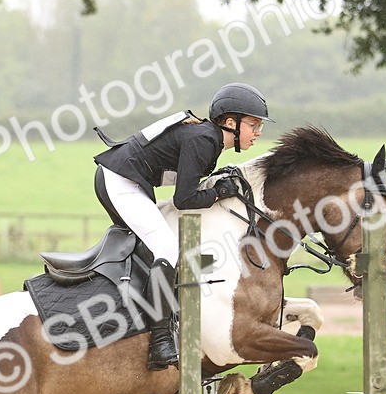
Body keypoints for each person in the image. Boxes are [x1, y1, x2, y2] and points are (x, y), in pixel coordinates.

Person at [93, 82, 272, 370]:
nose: (258, 132)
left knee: (159, 249)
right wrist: (219, 193)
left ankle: (161, 317)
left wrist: (217, 188)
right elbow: (185, 200)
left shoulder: (208, 139)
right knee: (166, 248)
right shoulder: (204, 140)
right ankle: (159, 341)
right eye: (254, 125)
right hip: (120, 182)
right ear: (231, 123)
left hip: (128, 180)